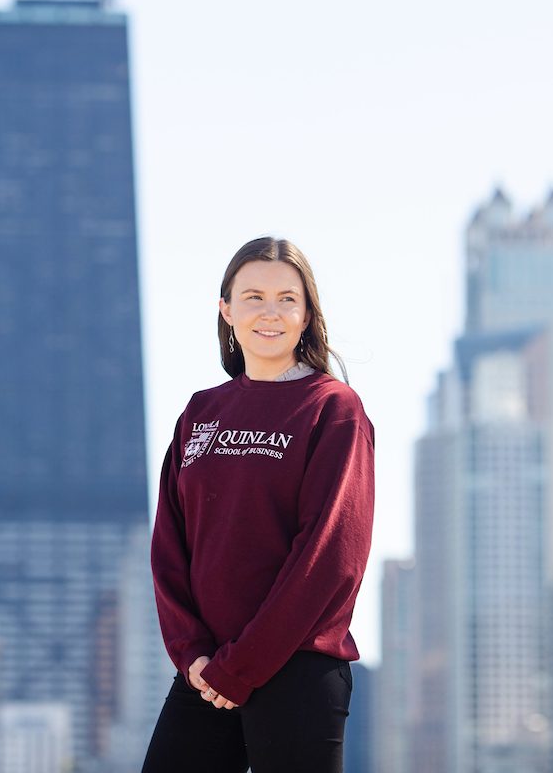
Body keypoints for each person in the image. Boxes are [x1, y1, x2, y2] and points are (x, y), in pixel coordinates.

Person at [142, 237, 375, 773]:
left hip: (297, 666)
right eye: (252, 297)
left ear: (307, 314)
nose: (269, 312)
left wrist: (242, 666)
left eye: (286, 299)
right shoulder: (201, 412)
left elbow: (330, 555)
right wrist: (192, 654)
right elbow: (169, 546)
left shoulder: (333, 410)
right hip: (205, 673)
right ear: (226, 310)